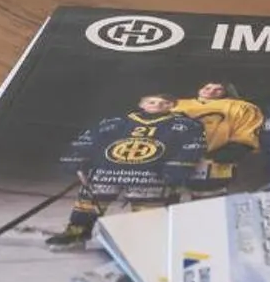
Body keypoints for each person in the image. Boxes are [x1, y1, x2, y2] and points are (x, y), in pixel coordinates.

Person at [46, 92, 205, 248]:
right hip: (107, 171)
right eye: (152, 102)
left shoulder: (187, 125)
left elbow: (191, 148)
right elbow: (89, 139)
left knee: (148, 212)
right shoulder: (116, 122)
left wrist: (176, 170)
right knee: (88, 203)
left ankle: (147, 243)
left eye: (164, 103)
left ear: (173, 105)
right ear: (141, 104)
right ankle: (76, 232)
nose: (157, 105)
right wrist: (77, 161)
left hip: (149, 174)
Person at [173, 81, 264, 193]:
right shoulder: (174, 104)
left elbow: (246, 138)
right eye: (207, 87)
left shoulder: (243, 107)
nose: (211, 91)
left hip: (214, 170)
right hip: (166, 170)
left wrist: (216, 157)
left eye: (218, 89)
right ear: (199, 89)